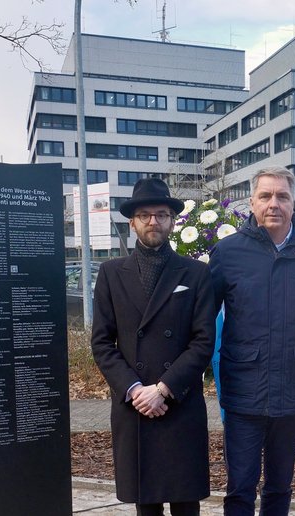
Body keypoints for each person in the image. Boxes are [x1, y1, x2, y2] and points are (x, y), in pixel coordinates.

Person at [209, 166, 295, 515]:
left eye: (282, 196)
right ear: (251, 202)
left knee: (281, 486)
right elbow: (204, 317)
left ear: (294, 202)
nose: (273, 204)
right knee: (240, 486)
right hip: (243, 388)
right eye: (265, 196)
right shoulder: (229, 253)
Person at [92, 177, 216, 516]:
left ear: (172, 220)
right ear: (132, 221)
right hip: (136, 406)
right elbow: (102, 342)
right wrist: (135, 390)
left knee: (186, 504)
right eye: (145, 215)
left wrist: (163, 389)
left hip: (179, 401)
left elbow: (204, 341)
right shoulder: (111, 273)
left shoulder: (195, 274)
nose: (153, 221)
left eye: (161, 214)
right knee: (146, 506)